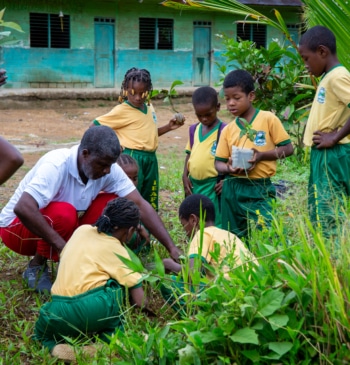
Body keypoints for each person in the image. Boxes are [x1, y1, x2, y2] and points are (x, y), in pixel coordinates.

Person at [0, 126, 180, 293]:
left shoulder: (107, 168)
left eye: (110, 165)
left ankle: (99, 260)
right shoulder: (56, 165)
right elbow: (23, 208)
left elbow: (140, 204)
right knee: (64, 213)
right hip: (15, 230)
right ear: (85, 154)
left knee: (115, 203)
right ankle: (36, 267)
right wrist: (66, 249)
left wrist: (171, 247)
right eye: (102, 165)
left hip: (58, 223)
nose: (108, 171)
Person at [34, 198, 154, 362]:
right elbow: (140, 301)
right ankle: (111, 340)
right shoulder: (118, 250)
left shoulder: (81, 231)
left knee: (41, 334)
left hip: (58, 310)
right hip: (93, 308)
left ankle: (54, 347)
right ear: (130, 230)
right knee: (117, 286)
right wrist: (151, 311)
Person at [90, 67, 185, 211]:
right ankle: (129, 229)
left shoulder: (149, 107)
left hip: (150, 158)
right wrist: (112, 146)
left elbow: (146, 135)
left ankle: (146, 229)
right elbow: (94, 126)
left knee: (149, 196)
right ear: (125, 90)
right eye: (133, 93)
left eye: (143, 93)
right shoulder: (122, 110)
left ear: (149, 91)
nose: (138, 97)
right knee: (131, 195)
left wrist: (168, 127)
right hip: (133, 157)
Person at [215, 69, 294, 241]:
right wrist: (229, 168)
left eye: (236, 98)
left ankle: (275, 262)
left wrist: (261, 156)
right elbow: (218, 163)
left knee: (270, 231)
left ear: (251, 96)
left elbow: (288, 149)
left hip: (259, 187)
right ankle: (240, 264)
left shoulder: (267, 119)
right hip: (233, 187)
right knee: (234, 237)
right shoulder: (228, 129)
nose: (231, 103)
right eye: (227, 99)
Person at [161, 194, 254, 314]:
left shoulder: (202, 234)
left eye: (183, 225)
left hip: (227, 295)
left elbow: (192, 273)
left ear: (193, 220)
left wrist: (170, 266)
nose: (185, 232)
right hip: (250, 292)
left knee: (166, 282)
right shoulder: (228, 235)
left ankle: (197, 316)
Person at [298, 26, 350, 240]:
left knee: (330, 210)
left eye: (306, 58)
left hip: (332, 154)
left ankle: (335, 258)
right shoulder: (329, 77)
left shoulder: (338, 77)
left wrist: (334, 136)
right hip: (324, 154)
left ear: (322, 52)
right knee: (321, 205)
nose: (306, 65)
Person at [182, 86, 227, 227]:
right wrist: (185, 175)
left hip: (213, 186)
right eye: (199, 115)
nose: (204, 119)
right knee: (196, 220)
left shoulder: (224, 131)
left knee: (214, 221)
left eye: (208, 114)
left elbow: (232, 159)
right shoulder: (194, 129)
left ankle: (215, 246)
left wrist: (228, 180)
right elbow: (189, 154)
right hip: (194, 186)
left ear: (218, 107)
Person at [117, 153, 150, 255]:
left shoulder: (134, 197)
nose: (131, 183)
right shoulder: (110, 196)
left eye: (135, 178)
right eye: (127, 178)